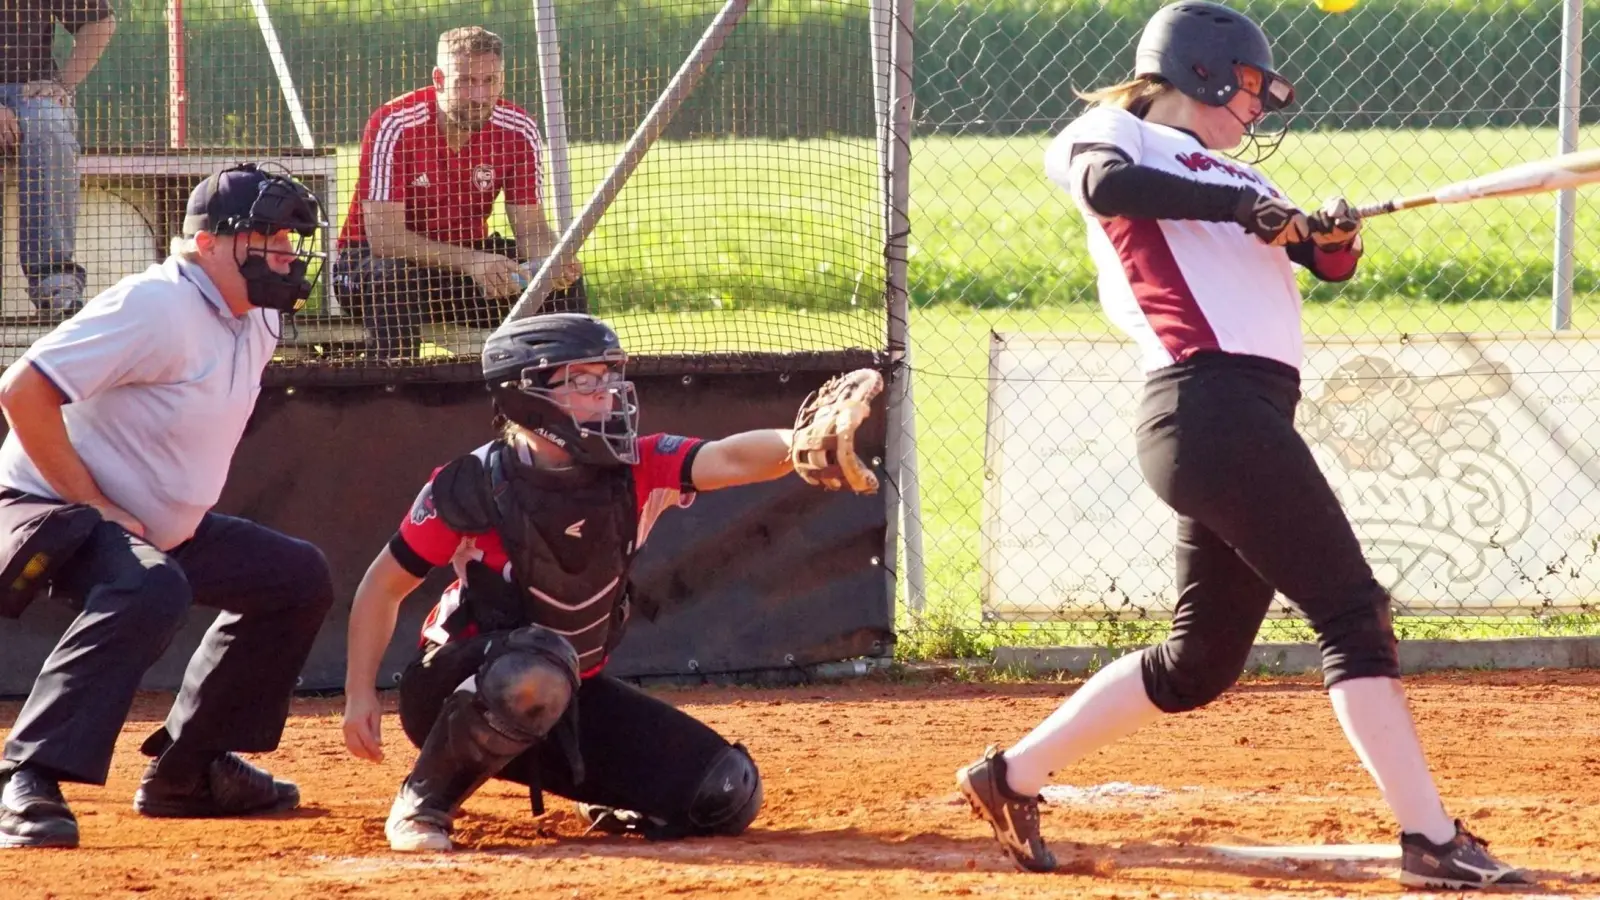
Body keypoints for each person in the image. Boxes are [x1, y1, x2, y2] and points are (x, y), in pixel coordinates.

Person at [954, 2, 1527, 890]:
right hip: (1204, 404)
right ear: (1203, 70)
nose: (1259, 107)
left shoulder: (1226, 175)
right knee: (1351, 612)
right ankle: (1430, 839)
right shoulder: (1112, 134)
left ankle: (1008, 776)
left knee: (1198, 664)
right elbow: (1108, 189)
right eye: (1252, 86)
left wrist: (1326, 234)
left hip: (1245, 417)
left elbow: (1325, 264)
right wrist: (1242, 207)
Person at [341, 313, 877, 852]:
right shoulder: (474, 484)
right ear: (527, 397)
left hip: (564, 692)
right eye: (583, 382)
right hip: (455, 689)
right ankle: (424, 801)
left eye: (608, 379)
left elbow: (729, 457)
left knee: (724, 792)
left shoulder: (636, 466)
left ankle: (598, 787)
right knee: (537, 664)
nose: (606, 395)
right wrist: (359, 693)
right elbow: (382, 587)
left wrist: (802, 442)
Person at [0, 164, 337, 849]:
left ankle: (190, 770)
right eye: (265, 239)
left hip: (153, 523)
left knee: (296, 580)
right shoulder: (157, 305)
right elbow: (23, 388)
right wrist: (91, 502)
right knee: (149, 585)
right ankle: (26, 777)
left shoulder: (258, 314)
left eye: (290, 240)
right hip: (44, 504)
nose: (285, 255)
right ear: (207, 243)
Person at [332, 26, 585, 360]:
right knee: (393, 278)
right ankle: (394, 395)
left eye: (490, 81)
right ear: (438, 79)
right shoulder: (393, 124)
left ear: (502, 79)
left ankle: (568, 389)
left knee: (560, 287)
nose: (480, 97)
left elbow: (532, 228)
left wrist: (553, 264)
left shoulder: (519, 129)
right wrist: (472, 261)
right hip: (370, 270)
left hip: (463, 274)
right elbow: (384, 238)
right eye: (466, 82)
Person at [1, 0, 117, 316]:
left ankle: (55, 285)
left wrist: (61, 84)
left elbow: (100, 23)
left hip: (30, 91)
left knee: (48, 123)